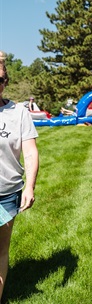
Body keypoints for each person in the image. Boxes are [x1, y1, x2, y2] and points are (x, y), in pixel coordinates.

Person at [0, 54, 39, 301]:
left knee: (0, 250)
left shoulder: (19, 112)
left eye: (0, 79)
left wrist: (30, 188)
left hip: (6, 193)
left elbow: (30, 151)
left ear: (5, 81)